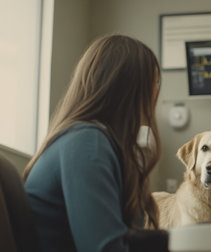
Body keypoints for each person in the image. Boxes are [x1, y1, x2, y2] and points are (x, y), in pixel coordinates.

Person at [24, 35, 163, 251]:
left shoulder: (91, 141)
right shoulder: (87, 142)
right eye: (154, 82)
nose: (157, 93)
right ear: (132, 89)